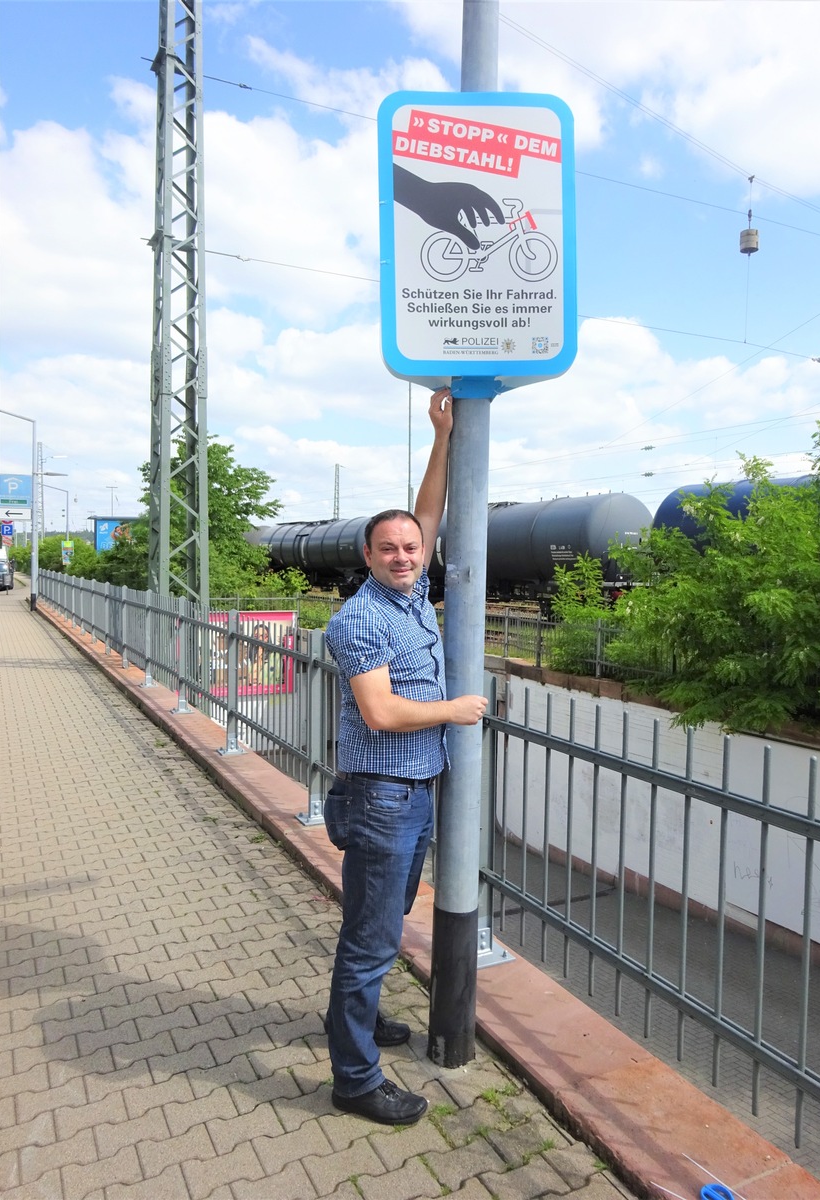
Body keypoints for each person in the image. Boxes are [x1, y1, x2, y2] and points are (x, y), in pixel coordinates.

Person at [323, 386, 488, 1126]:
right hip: (383, 793)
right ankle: (355, 1078)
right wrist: (456, 709)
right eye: (388, 548)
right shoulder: (358, 619)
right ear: (366, 555)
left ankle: (357, 1026)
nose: (402, 554)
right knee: (370, 938)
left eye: (411, 548)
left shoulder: (412, 589)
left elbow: (427, 509)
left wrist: (442, 436)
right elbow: (381, 711)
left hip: (415, 791)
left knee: (380, 926)